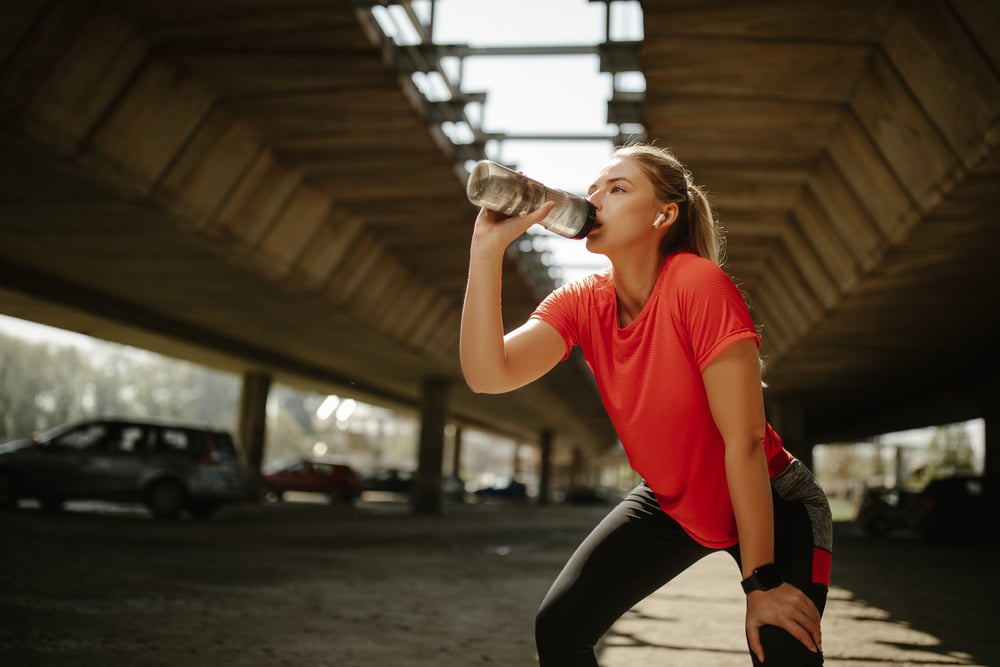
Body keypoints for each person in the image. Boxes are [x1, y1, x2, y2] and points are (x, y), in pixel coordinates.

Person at [459, 143, 833, 666]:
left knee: (779, 648)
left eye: (618, 188)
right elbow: (487, 374)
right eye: (593, 190)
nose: (595, 199)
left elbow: (743, 441)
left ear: (664, 214)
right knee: (560, 629)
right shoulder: (582, 300)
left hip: (773, 500)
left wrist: (762, 582)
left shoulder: (698, 284)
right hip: (672, 503)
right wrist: (486, 247)